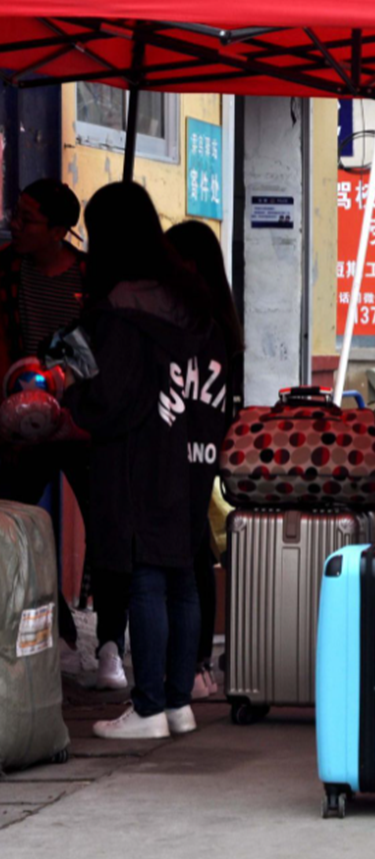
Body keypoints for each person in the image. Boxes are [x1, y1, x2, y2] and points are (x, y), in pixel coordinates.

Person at [65, 182, 230, 740]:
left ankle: (149, 707)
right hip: (191, 458)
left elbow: (111, 398)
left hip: (139, 461)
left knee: (145, 578)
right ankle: (178, 703)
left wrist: (73, 395)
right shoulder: (194, 301)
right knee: (181, 574)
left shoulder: (120, 308)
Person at [0, 179, 101, 678]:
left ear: (59, 231)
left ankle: (110, 643)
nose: (15, 225)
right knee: (12, 524)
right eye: (15, 214)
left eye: (28, 218)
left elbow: (103, 352)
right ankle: (57, 630)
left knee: (105, 527)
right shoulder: (6, 270)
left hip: (83, 427)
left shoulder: (89, 277)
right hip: (21, 426)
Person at [165, 220, 244, 701]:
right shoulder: (224, 326)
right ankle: (197, 668)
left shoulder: (191, 324)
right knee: (197, 554)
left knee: (187, 559)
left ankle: (191, 667)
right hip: (207, 452)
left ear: (189, 266)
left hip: (180, 450)